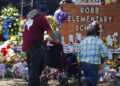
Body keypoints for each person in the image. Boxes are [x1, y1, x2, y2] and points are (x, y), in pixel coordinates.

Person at [22, 4, 55, 86]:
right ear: (43, 13)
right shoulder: (41, 17)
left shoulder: (30, 17)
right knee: (35, 65)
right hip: (35, 44)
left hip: (26, 44)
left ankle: (35, 82)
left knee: (33, 65)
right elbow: (49, 31)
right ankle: (32, 84)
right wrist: (54, 39)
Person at [79, 21, 108, 86]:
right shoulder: (99, 42)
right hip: (93, 64)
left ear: (87, 34)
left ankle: (85, 79)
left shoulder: (82, 42)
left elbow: (79, 56)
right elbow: (104, 54)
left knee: (87, 83)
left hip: (83, 64)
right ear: (95, 34)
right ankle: (86, 79)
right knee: (93, 82)